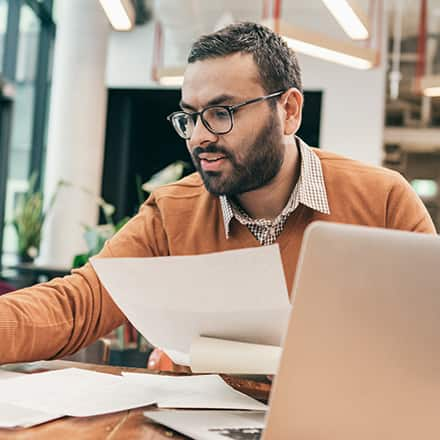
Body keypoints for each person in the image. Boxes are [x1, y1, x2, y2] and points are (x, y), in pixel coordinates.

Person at [0, 22, 435, 367]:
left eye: (222, 112)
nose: (200, 137)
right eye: (191, 116)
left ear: (288, 110)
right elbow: (79, 306)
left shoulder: (382, 200)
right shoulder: (172, 213)